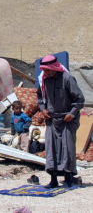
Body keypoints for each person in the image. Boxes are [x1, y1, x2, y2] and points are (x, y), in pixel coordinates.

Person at [36, 55, 85, 188]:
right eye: (44, 70)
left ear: (55, 68)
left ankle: (68, 178)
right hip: (52, 120)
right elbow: (40, 97)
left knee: (67, 148)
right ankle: (53, 180)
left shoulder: (67, 79)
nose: (46, 72)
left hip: (67, 120)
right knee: (52, 149)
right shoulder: (44, 80)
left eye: (48, 70)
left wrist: (72, 114)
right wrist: (43, 109)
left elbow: (79, 100)